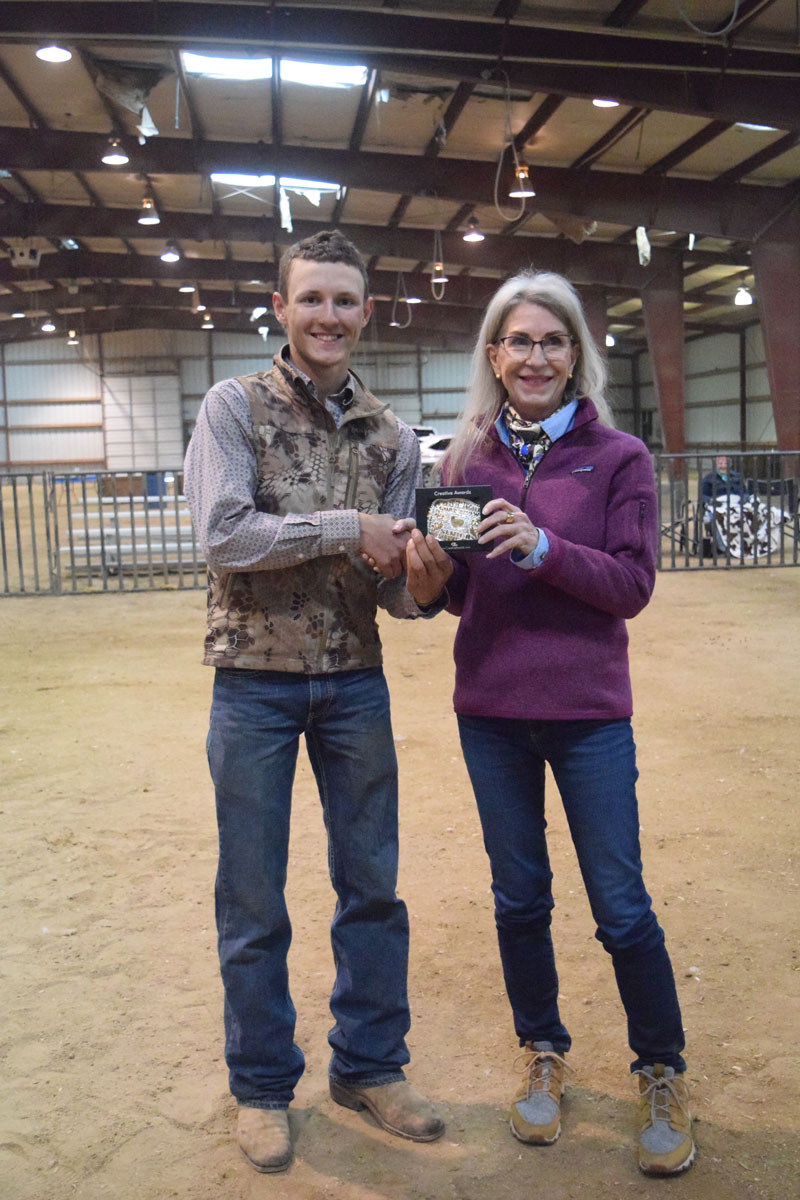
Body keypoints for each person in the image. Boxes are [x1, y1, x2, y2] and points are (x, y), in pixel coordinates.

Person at [404, 269, 695, 1177]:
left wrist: (543, 547)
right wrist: (427, 584)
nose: (536, 357)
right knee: (520, 900)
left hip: (588, 717)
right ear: (494, 355)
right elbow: (460, 595)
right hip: (491, 714)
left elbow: (632, 586)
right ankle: (542, 1050)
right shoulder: (462, 462)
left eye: (553, 341)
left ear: (575, 355)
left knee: (621, 905)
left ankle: (660, 1068)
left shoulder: (621, 458)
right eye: (519, 342)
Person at [184, 230, 444, 1173]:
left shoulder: (393, 437)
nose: (327, 316)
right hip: (253, 683)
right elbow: (224, 535)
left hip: (353, 681)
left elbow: (392, 592)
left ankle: (370, 1066)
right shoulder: (232, 406)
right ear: (282, 308)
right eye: (311, 299)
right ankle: (261, 1085)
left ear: (365, 312)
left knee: (372, 886)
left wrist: (424, 582)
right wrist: (347, 526)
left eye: (344, 301)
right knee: (253, 894)